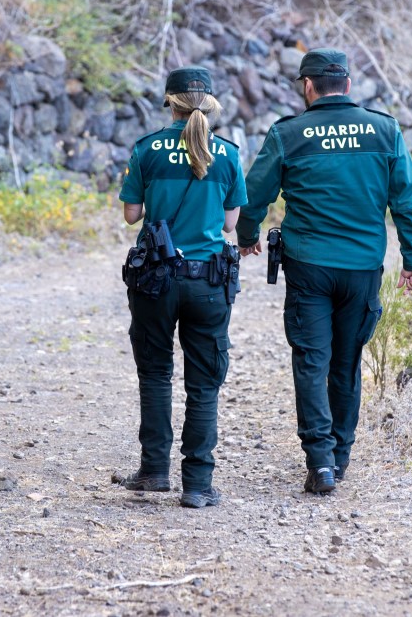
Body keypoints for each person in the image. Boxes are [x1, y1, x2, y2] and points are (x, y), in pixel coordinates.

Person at [235, 48, 412, 494]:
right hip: (363, 268)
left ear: (307, 86)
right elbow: (407, 203)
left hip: (310, 267)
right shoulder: (385, 129)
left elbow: (254, 193)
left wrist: (247, 236)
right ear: (348, 85)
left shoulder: (290, 133)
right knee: (346, 364)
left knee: (310, 360)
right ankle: (339, 458)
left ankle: (319, 463)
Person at [118, 66, 247, 508]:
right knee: (204, 382)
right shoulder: (228, 154)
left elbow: (132, 215)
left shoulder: (147, 150)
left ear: (169, 103)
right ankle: (197, 484)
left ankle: (154, 471)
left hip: (156, 279)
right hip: (209, 281)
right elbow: (231, 224)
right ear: (210, 106)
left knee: (155, 374)